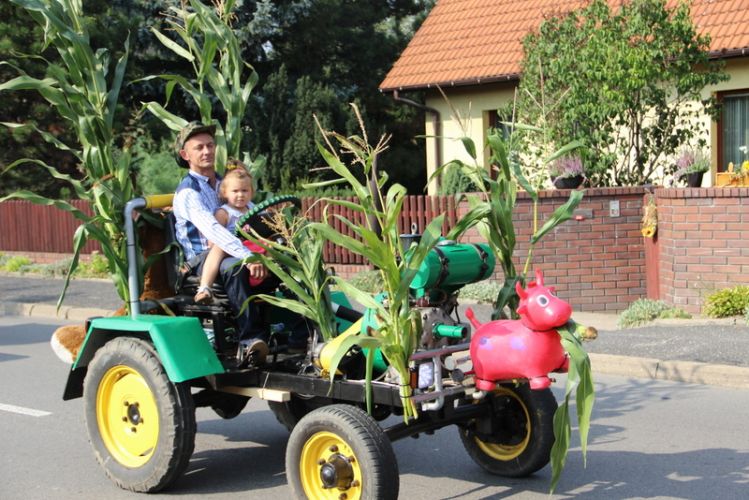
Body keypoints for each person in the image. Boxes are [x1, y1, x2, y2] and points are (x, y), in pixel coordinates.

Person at [171, 121, 269, 365]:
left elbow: (251, 211)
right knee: (234, 267)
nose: (207, 151)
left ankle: (300, 332)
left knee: (283, 262)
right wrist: (247, 255)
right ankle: (250, 340)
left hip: (234, 248)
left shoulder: (225, 183)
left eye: (210, 145)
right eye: (199, 148)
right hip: (202, 259)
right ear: (186, 155)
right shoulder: (188, 192)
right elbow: (214, 231)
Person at [194, 160, 257, 305]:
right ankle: (204, 287)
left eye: (244, 191)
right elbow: (213, 240)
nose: (240, 195)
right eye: (235, 191)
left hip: (252, 245)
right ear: (224, 193)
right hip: (230, 248)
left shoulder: (253, 208)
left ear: (251, 192)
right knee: (218, 247)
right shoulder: (224, 213)